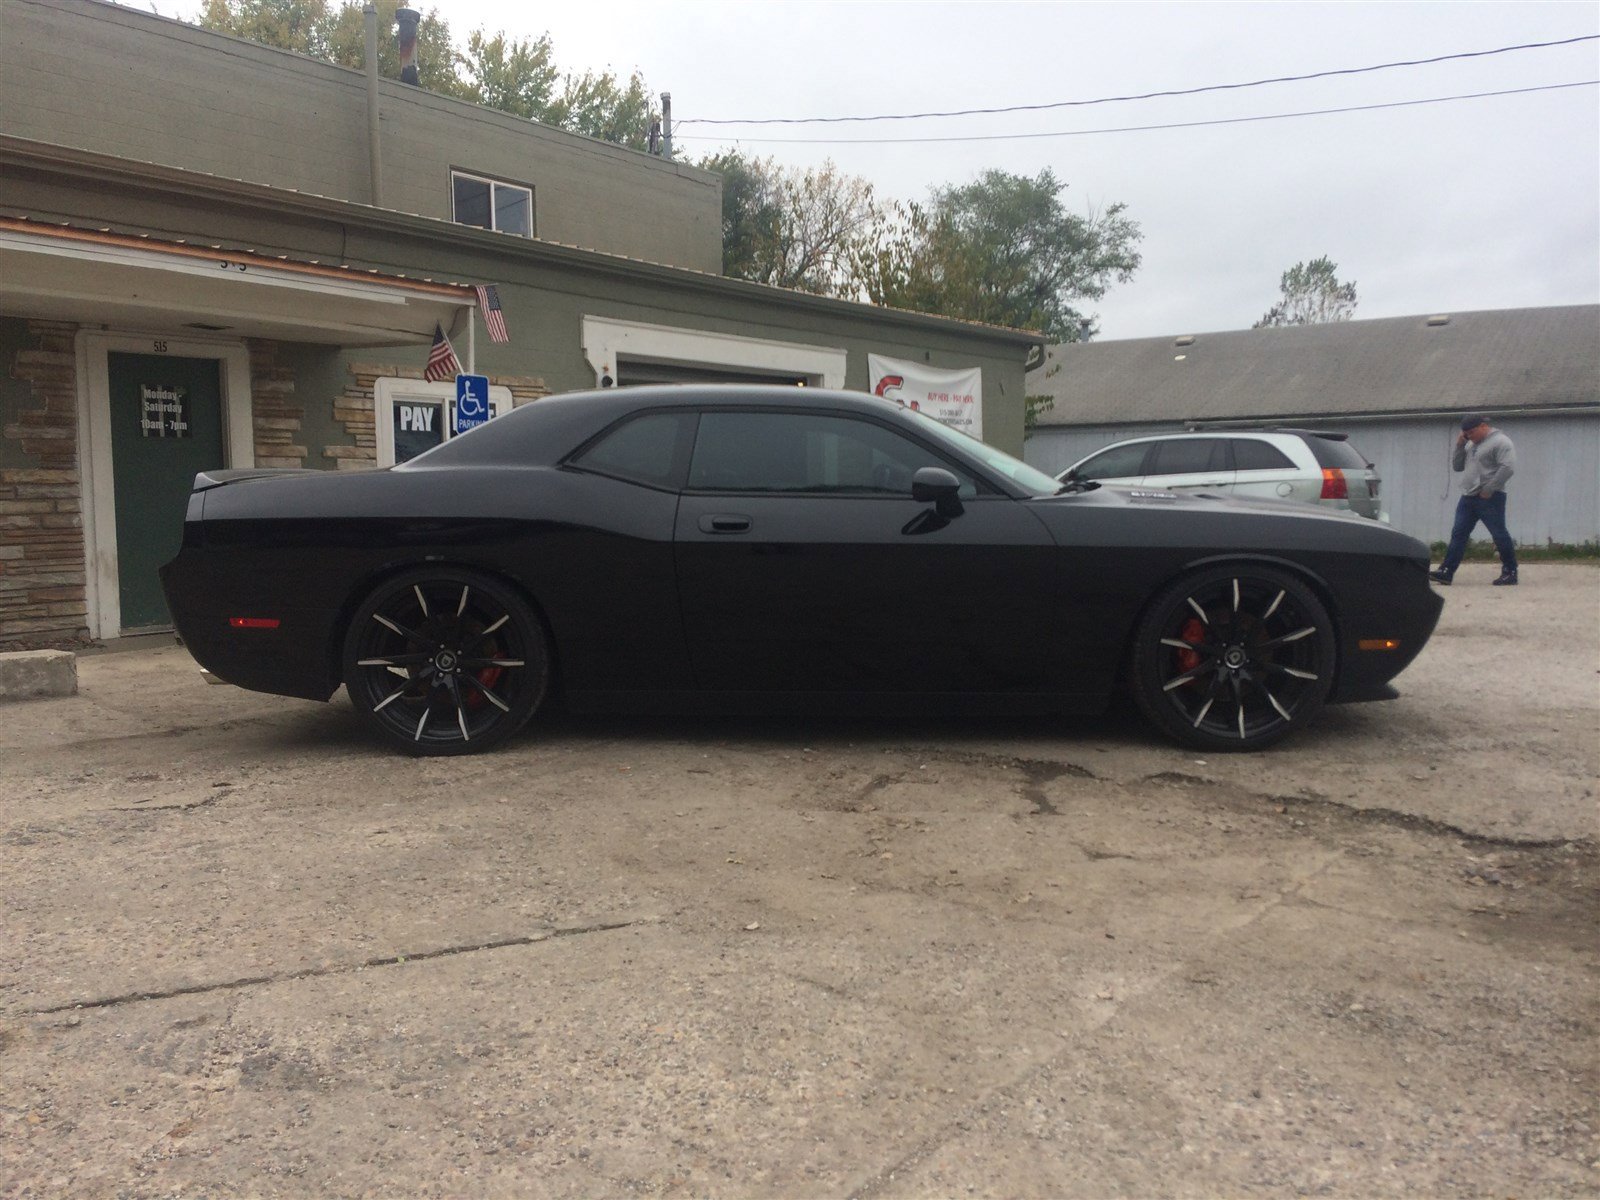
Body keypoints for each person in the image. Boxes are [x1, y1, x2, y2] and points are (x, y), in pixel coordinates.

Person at [1429, 415, 1518, 586]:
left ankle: (1510, 571)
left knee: (1499, 534)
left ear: (1483, 426)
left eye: (1472, 432)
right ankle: (1446, 571)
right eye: (1466, 433)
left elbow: (1508, 467)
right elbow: (1457, 466)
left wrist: (1489, 489)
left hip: (1490, 497)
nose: (1470, 436)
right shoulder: (1470, 444)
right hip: (1468, 497)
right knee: (1458, 534)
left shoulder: (1501, 441)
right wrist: (1460, 445)